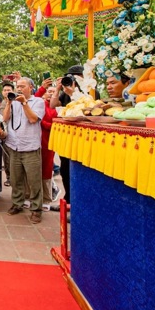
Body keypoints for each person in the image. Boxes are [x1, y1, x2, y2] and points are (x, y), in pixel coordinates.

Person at [3, 76, 46, 224]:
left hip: (30, 147)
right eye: (17, 86)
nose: (19, 89)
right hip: (14, 145)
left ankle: (36, 210)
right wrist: (9, 103)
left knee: (34, 181)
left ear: (31, 88)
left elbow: (33, 119)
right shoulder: (13, 102)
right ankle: (17, 204)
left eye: (22, 86)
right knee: (15, 179)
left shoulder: (38, 102)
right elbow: (5, 118)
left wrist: (25, 104)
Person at [49, 65, 84, 211]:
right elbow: (52, 105)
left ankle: (78, 207)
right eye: (70, 77)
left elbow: (87, 107)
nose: (72, 80)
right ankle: (68, 201)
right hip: (66, 137)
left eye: (75, 77)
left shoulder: (89, 91)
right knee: (65, 170)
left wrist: (74, 92)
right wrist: (57, 89)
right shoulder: (65, 92)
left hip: (81, 138)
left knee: (78, 173)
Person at [37, 79, 60, 211]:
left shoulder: (57, 109)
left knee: (47, 170)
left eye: (54, 92)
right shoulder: (39, 104)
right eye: (49, 91)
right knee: (34, 170)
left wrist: (45, 124)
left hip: (49, 142)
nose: (51, 94)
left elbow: (57, 124)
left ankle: (47, 198)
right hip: (35, 141)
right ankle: (31, 197)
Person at [0, 80, 15, 190]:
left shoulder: (16, 101)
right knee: (6, 157)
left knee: (13, 157)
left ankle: (14, 177)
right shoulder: (0, 103)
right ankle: (9, 177)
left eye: (9, 90)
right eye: (4, 90)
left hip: (14, 133)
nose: (6, 92)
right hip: (2, 132)